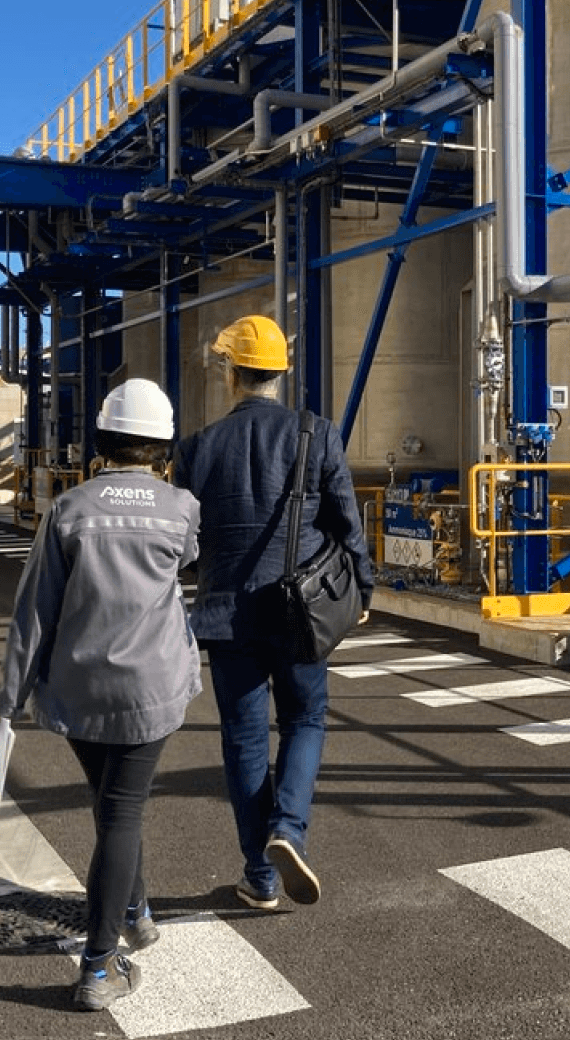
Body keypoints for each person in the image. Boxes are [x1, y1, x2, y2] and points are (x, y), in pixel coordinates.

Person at [0, 378, 200, 1013]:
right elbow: (187, 560)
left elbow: (35, 610)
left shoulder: (69, 509)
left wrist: (7, 697)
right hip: (151, 688)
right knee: (121, 814)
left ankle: (134, 912)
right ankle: (100, 966)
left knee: (113, 809)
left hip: (79, 691)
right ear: (163, 447)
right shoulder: (181, 508)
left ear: (102, 440)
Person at [173, 314, 374, 912]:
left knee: (243, 741)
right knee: (305, 719)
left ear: (231, 372)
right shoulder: (317, 434)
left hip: (226, 615)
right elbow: (347, 525)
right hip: (299, 613)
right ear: (280, 376)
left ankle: (260, 877)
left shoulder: (196, 449)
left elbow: (187, 544)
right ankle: (288, 828)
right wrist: (362, 593)